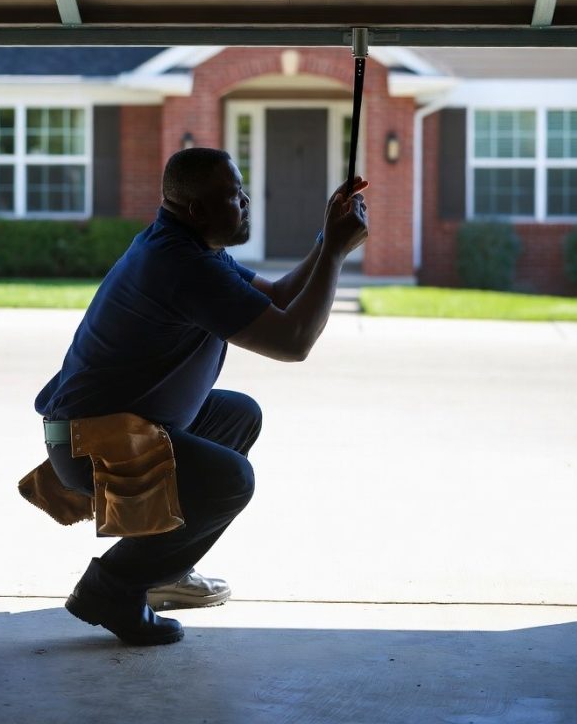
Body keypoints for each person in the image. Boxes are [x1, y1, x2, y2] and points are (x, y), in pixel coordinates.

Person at [33, 147, 369, 645]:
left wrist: (327, 238)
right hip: (92, 443)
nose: (246, 201)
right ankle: (113, 588)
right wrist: (338, 254)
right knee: (230, 480)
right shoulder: (181, 265)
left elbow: (276, 299)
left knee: (236, 416)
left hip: (115, 427)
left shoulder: (187, 247)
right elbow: (293, 341)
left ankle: (162, 569)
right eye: (234, 195)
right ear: (198, 210)